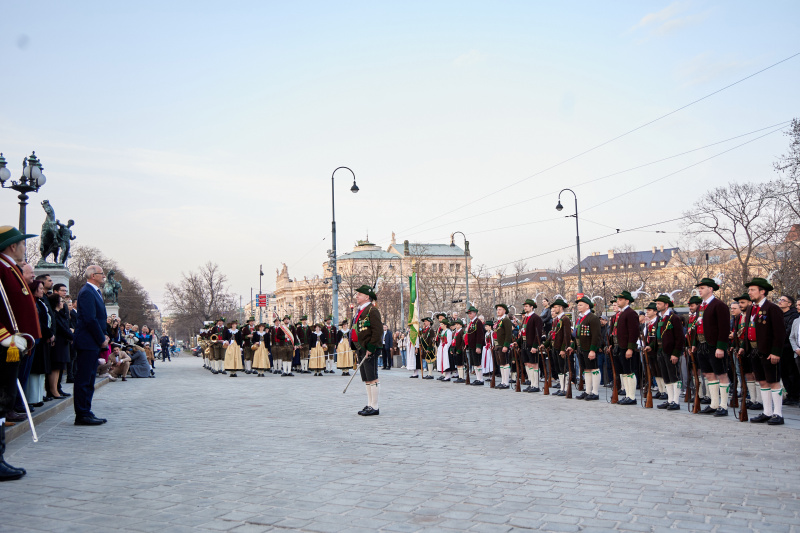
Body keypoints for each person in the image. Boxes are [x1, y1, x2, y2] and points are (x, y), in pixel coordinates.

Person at [0, 226, 41, 481]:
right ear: (12, 245)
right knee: (0, 402)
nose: (25, 248)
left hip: (16, 345)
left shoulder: (9, 268)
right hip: (6, 346)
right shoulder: (2, 268)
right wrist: (5, 336)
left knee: (3, 404)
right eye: (22, 244)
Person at [744, 278, 786, 425]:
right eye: (749, 290)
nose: (749, 292)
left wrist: (776, 352)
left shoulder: (772, 308)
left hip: (768, 351)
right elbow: (748, 329)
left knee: (773, 381)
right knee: (762, 381)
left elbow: (779, 333)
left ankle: (778, 414)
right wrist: (744, 347)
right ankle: (767, 412)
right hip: (755, 350)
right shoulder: (751, 308)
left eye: (752, 290)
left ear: (762, 291)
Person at [72, 265, 110, 426]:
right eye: (102, 274)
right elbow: (90, 318)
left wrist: (105, 334)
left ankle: (86, 410)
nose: (104, 277)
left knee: (89, 379)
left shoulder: (94, 291)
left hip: (92, 341)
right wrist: (101, 338)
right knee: (84, 379)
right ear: (93, 275)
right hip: (87, 341)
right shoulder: (87, 292)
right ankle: (81, 413)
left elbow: (99, 318)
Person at [693, 278, 731, 417]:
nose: (700, 290)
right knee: (709, 374)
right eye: (699, 288)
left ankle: (723, 405)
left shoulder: (718, 305)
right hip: (702, 344)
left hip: (715, 345)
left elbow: (724, 327)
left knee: (721, 374)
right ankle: (714, 404)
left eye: (702, 287)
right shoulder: (701, 306)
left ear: (711, 289)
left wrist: (721, 347)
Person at [351, 284, 383, 416]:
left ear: (366, 297)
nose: (357, 296)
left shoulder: (372, 310)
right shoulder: (360, 310)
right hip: (361, 348)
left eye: (359, 294)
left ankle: (374, 406)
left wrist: (371, 347)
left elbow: (377, 331)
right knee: (367, 378)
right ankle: (369, 404)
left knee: (372, 377)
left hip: (369, 348)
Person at [653, 294, 684, 410]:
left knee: (674, 376)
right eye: (656, 304)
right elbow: (657, 336)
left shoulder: (673, 318)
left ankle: (676, 401)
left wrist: (675, 353)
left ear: (666, 305)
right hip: (661, 350)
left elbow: (680, 337)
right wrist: (652, 346)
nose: (657, 306)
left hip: (670, 351)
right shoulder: (660, 318)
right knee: (666, 376)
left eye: (659, 303)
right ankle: (670, 399)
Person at [613, 291, 640, 406]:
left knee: (629, 372)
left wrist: (630, 348)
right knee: (624, 372)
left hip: (626, 347)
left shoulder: (631, 313)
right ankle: (627, 395)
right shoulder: (622, 313)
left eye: (620, 299)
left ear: (627, 301)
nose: (618, 301)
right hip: (621, 346)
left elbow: (633, 332)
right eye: (618, 299)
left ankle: (632, 396)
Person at [572, 296, 601, 401]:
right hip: (581, 347)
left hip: (589, 348)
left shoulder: (592, 317)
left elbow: (596, 335)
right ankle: (588, 391)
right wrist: (573, 347)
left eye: (581, 304)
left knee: (594, 368)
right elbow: (577, 334)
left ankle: (595, 392)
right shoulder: (580, 318)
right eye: (578, 305)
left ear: (587, 305)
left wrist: (592, 350)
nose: (578, 306)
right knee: (586, 369)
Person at [47, 292, 73, 399]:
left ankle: (56, 388)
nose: (63, 303)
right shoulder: (55, 314)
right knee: (56, 367)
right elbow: (62, 329)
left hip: (63, 343)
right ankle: (53, 390)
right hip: (58, 343)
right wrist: (72, 336)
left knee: (60, 368)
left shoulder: (61, 313)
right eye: (61, 301)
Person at [777, 294, 800, 406]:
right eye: (780, 299)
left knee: (792, 373)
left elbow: (789, 332)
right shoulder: (779, 315)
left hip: (789, 348)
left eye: (783, 300)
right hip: (780, 348)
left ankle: (795, 395)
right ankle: (789, 394)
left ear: (789, 304)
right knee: (783, 373)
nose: (780, 301)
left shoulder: (794, 316)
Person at [516, 299, 543, 393]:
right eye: (525, 306)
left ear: (532, 307)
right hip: (524, 344)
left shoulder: (536, 318)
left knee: (534, 364)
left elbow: (538, 333)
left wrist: (535, 346)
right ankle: (531, 383)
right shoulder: (525, 318)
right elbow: (523, 332)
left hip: (531, 344)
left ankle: (535, 385)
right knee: (527, 363)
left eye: (527, 306)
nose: (525, 307)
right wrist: (517, 342)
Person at [493, 303, 514, 389]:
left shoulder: (506, 320)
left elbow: (508, 334)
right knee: (501, 364)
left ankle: (506, 382)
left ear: (504, 311)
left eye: (500, 309)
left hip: (502, 345)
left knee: (505, 363)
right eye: (497, 309)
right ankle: (503, 381)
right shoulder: (499, 320)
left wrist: (506, 345)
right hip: (498, 345)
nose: (498, 311)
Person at [465, 306, 485, 386]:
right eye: (468, 313)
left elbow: (480, 335)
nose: (469, 315)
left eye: (471, 313)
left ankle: (480, 379)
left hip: (476, 346)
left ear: (475, 313)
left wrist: (478, 346)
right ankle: (477, 378)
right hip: (471, 346)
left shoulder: (478, 322)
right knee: (474, 363)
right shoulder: (471, 322)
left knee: (478, 362)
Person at [435, 313, 452, 381]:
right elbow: (441, 340)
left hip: (446, 349)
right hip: (442, 348)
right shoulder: (442, 332)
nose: (440, 325)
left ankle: (448, 376)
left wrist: (445, 347)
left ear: (445, 325)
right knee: (442, 361)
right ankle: (444, 375)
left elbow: (449, 341)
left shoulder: (448, 331)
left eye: (442, 324)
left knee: (446, 361)